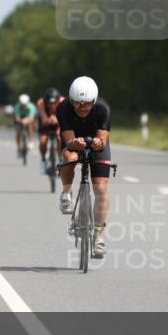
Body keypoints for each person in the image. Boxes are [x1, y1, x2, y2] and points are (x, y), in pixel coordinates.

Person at [56, 76, 111, 258]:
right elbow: (68, 140)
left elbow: (103, 139)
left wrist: (98, 143)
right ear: (71, 101)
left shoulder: (103, 109)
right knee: (69, 156)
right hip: (74, 142)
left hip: (96, 144)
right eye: (77, 103)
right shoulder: (63, 108)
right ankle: (66, 192)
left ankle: (98, 235)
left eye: (86, 103)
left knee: (101, 188)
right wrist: (75, 143)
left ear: (94, 101)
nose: (81, 108)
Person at [36, 87, 64, 174]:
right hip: (46, 123)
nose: (52, 105)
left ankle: (60, 160)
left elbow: (64, 118)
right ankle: (43, 159)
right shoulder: (41, 103)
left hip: (59, 122)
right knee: (43, 141)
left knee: (60, 138)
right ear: (46, 101)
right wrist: (49, 120)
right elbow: (43, 118)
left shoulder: (63, 101)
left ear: (58, 100)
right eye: (49, 103)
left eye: (54, 103)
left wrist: (57, 119)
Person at [13, 93, 37, 158]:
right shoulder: (17, 106)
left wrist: (27, 121)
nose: (23, 106)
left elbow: (32, 118)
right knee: (18, 132)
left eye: (24, 104)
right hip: (20, 118)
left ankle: (30, 141)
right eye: (22, 104)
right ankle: (18, 148)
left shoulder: (31, 107)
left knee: (30, 125)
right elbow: (17, 118)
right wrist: (21, 121)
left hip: (28, 118)